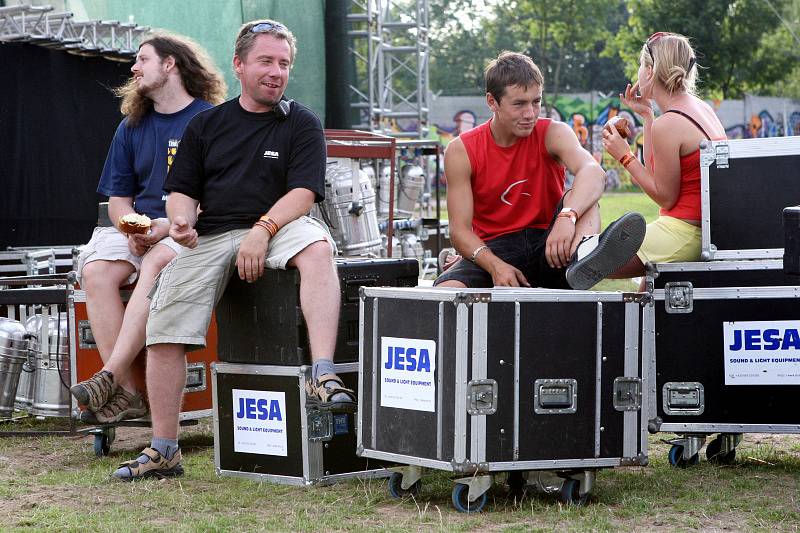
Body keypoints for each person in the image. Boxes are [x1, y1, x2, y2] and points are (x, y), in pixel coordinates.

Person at [108, 19, 354, 481]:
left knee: (319, 247)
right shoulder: (206, 124)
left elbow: (303, 194)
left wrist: (262, 229)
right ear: (239, 66)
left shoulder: (301, 121)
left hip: (283, 224)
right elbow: (179, 192)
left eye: (284, 63)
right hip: (215, 233)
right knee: (164, 326)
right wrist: (179, 222)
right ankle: (165, 450)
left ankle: (323, 372)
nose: (276, 72)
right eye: (266, 61)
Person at [72, 32, 226, 424]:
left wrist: (162, 229)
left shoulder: (210, 120)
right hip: (140, 228)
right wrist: (135, 229)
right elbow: (118, 202)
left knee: (156, 262)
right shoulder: (132, 125)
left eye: (142, 59)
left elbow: (221, 197)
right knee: (97, 271)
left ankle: (108, 376)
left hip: (191, 228)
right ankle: (124, 391)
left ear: (170, 64)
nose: (134, 68)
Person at [435, 51, 645, 290]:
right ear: (492, 102)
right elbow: (459, 231)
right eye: (519, 104)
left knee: (583, 199)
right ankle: (578, 256)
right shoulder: (461, 150)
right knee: (446, 292)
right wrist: (495, 266)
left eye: (536, 102)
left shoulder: (553, 132)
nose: (530, 113)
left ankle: (583, 256)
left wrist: (568, 215)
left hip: (552, 246)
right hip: (494, 249)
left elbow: (593, 172)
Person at [602, 32, 726, 280]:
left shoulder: (670, 123)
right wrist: (648, 116)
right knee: (643, 299)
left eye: (640, 65)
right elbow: (656, 172)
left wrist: (625, 156)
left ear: (650, 70)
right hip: (702, 230)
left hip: (684, 233)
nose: (638, 72)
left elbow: (665, 197)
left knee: (592, 261)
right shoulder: (700, 108)